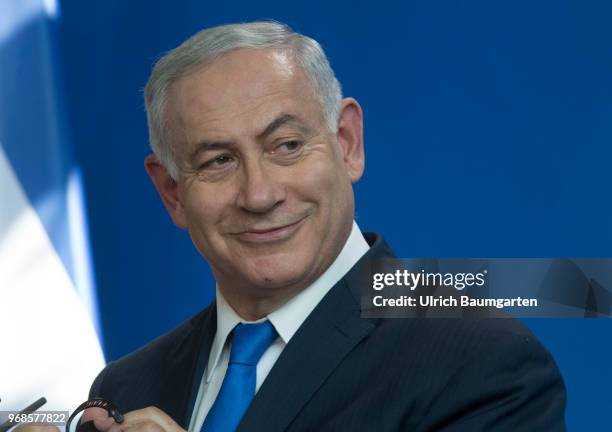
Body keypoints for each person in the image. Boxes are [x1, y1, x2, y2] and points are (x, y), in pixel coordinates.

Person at [80, 21, 566, 431]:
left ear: (347, 143)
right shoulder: (125, 388)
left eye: (287, 145)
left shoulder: (482, 362)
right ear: (172, 193)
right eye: (219, 160)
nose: (260, 194)